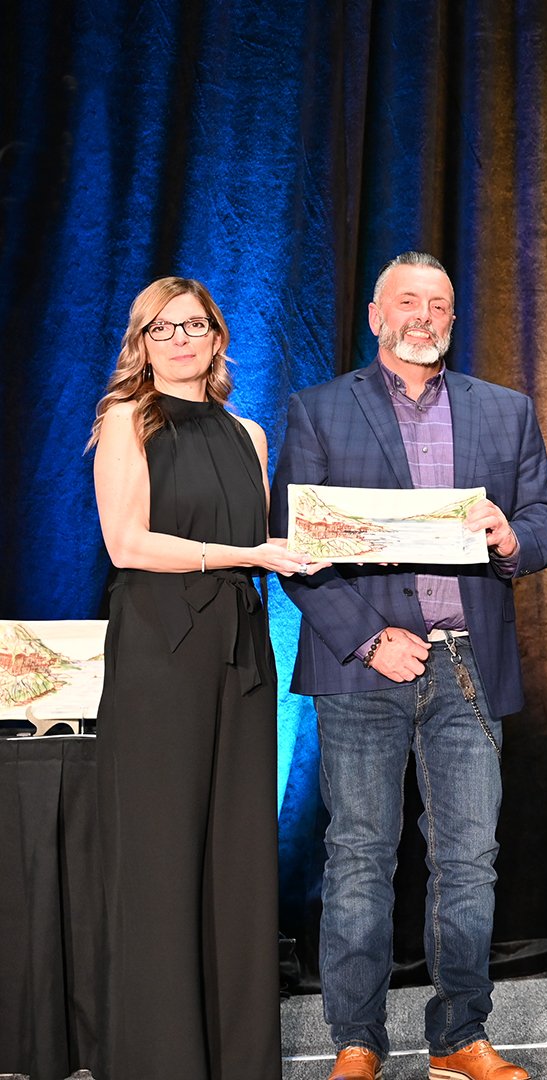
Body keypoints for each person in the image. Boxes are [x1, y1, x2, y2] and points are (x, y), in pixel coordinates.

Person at [271, 252, 547, 1080]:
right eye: (408, 301)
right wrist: (369, 637)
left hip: (468, 665)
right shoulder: (320, 411)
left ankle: (458, 1037)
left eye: (438, 303)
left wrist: (515, 538)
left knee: (468, 857)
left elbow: (544, 520)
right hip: (365, 669)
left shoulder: (504, 412)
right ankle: (356, 1042)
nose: (424, 315)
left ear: (452, 318)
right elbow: (299, 551)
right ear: (376, 315)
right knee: (360, 853)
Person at [90, 277, 318, 1080]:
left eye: (194, 324)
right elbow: (127, 544)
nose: (181, 338)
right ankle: (162, 1060)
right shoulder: (128, 421)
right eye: (163, 327)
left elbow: (275, 541)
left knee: (238, 856)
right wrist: (246, 557)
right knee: (162, 854)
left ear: (218, 338)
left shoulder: (247, 434)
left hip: (241, 651)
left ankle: (239, 1059)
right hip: (162, 649)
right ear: (142, 343)